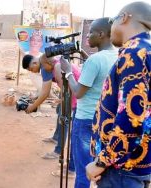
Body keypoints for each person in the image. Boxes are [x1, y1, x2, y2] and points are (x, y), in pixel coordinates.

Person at [86, 2, 151, 188]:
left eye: (113, 21)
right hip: (136, 162)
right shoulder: (146, 51)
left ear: (124, 18)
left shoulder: (134, 54)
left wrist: (101, 162)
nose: (111, 27)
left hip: (121, 168)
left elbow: (131, 117)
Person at [60, 17, 118, 188]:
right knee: (100, 167)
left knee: (84, 170)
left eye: (91, 32)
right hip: (106, 120)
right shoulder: (117, 56)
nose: (88, 36)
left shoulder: (95, 60)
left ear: (101, 34)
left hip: (86, 121)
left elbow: (78, 92)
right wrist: (86, 58)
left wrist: (68, 72)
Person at [22, 53, 81, 178]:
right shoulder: (48, 61)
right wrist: (61, 99)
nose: (34, 72)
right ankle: (56, 139)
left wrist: (32, 107)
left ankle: (61, 153)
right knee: (61, 112)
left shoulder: (46, 66)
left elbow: (45, 93)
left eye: (31, 69)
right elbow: (63, 85)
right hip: (72, 90)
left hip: (76, 94)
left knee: (65, 121)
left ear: (34, 63)